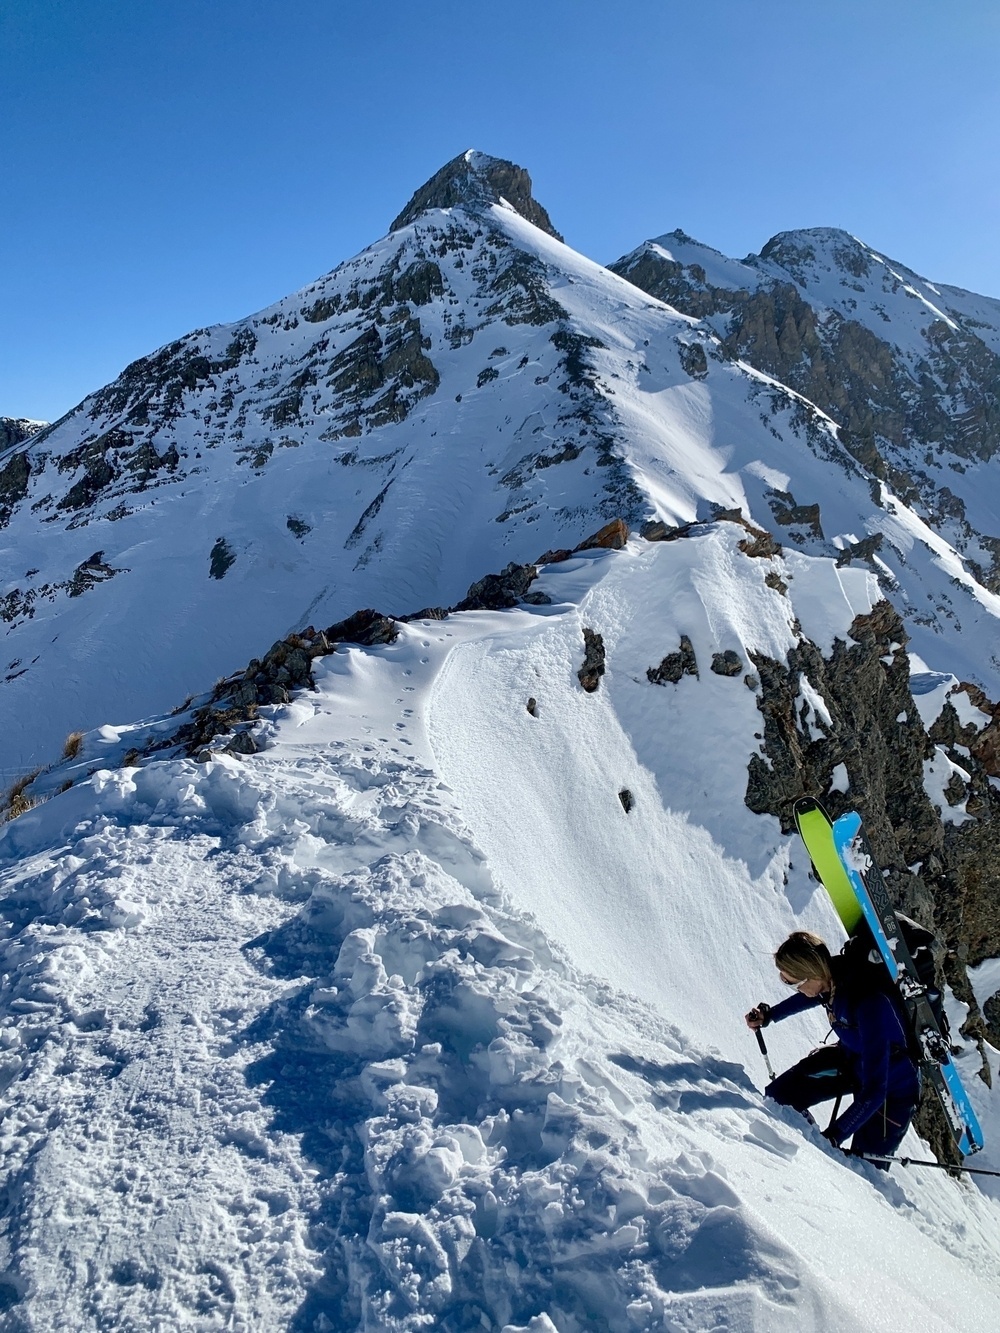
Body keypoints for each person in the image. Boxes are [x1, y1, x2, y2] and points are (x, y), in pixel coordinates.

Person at [745, 929, 920, 1159]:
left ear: (812, 975)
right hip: (850, 1061)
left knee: (865, 1168)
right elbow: (810, 997)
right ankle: (800, 1137)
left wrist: (833, 1137)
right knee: (779, 1096)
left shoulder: (868, 1003)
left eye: (792, 982)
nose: (793, 988)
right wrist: (769, 1016)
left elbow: (876, 1089)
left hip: (893, 1089)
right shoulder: (832, 979)